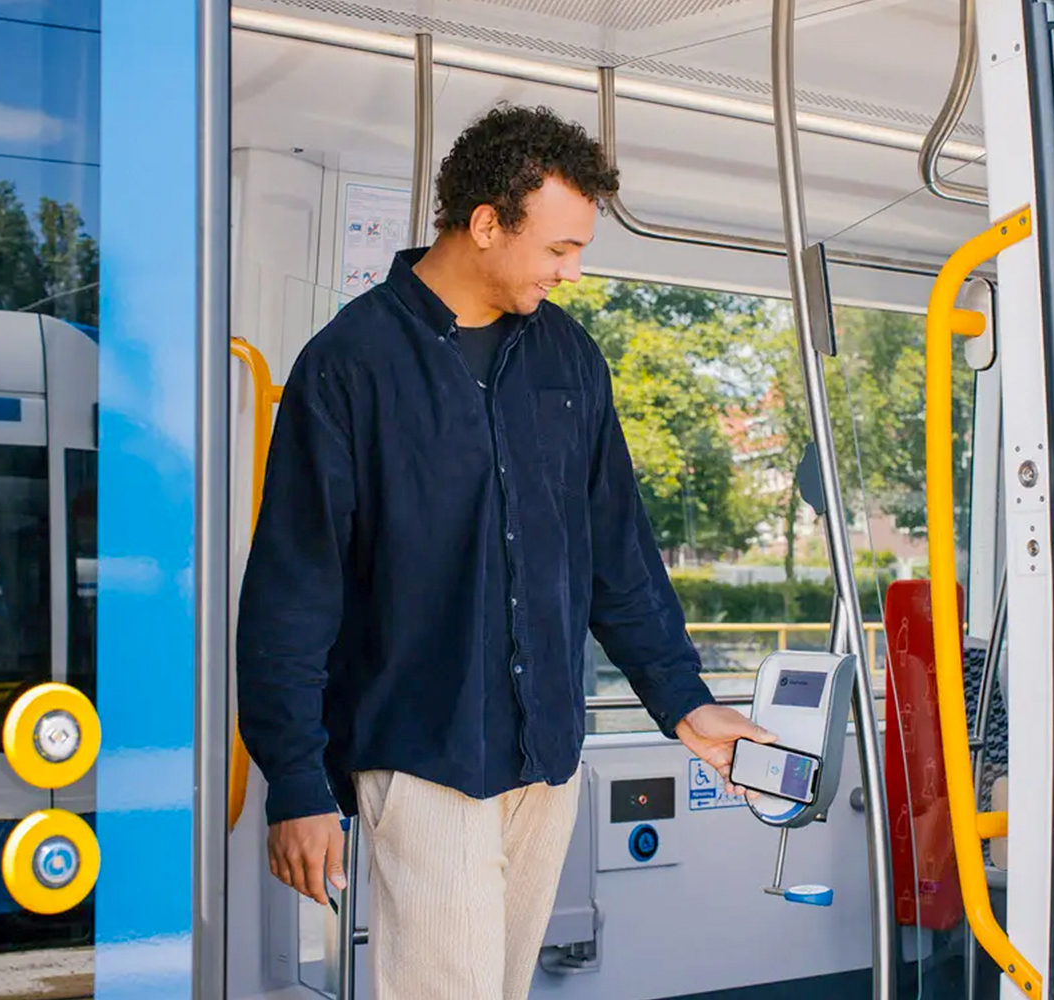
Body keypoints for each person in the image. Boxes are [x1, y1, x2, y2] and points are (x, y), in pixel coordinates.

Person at [235, 103, 772, 1000]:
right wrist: (295, 783)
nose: (572, 271)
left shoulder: (571, 361)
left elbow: (620, 560)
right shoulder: (349, 364)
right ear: (485, 224)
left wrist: (687, 702)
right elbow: (295, 592)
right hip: (425, 756)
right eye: (559, 249)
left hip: (545, 760)